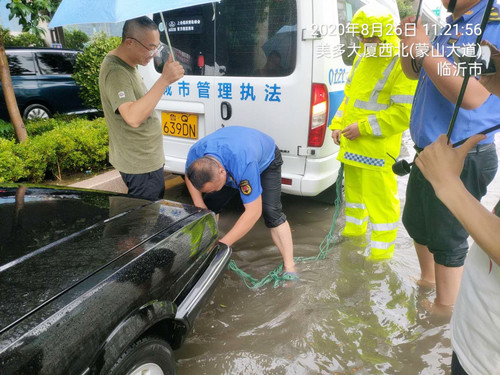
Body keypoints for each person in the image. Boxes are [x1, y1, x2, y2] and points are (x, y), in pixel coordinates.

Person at [398, 0, 500, 308]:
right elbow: (416, 74)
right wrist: (410, 45)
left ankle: (443, 318)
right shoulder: (453, 24)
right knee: (416, 223)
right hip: (429, 153)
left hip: (461, 156)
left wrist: (426, 50)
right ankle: (427, 284)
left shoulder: (490, 25)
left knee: (447, 242)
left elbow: (473, 94)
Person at [417, 38, 500, 375]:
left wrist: (448, 185)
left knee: (447, 239)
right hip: (475, 343)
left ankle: (443, 304)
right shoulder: (451, 29)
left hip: (486, 361)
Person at [329, 4, 417, 260]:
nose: (366, 41)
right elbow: (350, 98)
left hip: (377, 152)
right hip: (353, 146)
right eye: (361, 37)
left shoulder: (401, 63)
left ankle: (379, 260)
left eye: (371, 37)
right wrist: (336, 123)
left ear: (387, 33)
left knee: (381, 206)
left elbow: (403, 114)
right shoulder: (363, 55)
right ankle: (353, 240)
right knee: (354, 201)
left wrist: (363, 128)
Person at [185, 126, 296, 274]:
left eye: (215, 188)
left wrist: (223, 245)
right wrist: (200, 204)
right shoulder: (196, 154)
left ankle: (290, 266)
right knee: (210, 205)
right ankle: (210, 244)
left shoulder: (244, 165)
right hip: (230, 156)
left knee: (271, 212)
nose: (213, 191)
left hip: (266, 160)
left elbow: (253, 212)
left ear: (222, 172)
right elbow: (188, 175)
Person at [99, 17, 184, 201]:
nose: (154, 54)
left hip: (145, 160)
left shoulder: (129, 66)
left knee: (145, 215)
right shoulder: (116, 72)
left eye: (156, 47)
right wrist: (164, 80)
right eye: (150, 47)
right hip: (140, 164)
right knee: (144, 220)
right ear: (129, 42)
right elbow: (132, 117)